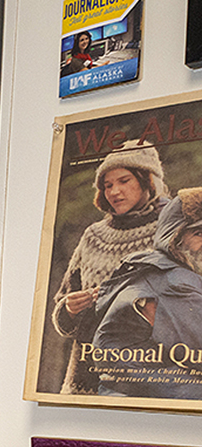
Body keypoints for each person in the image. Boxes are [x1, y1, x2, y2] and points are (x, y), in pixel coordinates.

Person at [51, 140, 169, 393]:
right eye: (107, 185)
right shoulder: (93, 236)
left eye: (124, 181)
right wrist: (70, 308)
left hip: (148, 379)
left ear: (148, 180)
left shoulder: (171, 230)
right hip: (86, 381)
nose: (114, 191)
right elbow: (63, 304)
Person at [92, 187, 202, 398]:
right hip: (147, 405)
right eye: (199, 233)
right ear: (175, 236)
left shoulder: (149, 267)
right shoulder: (174, 281)